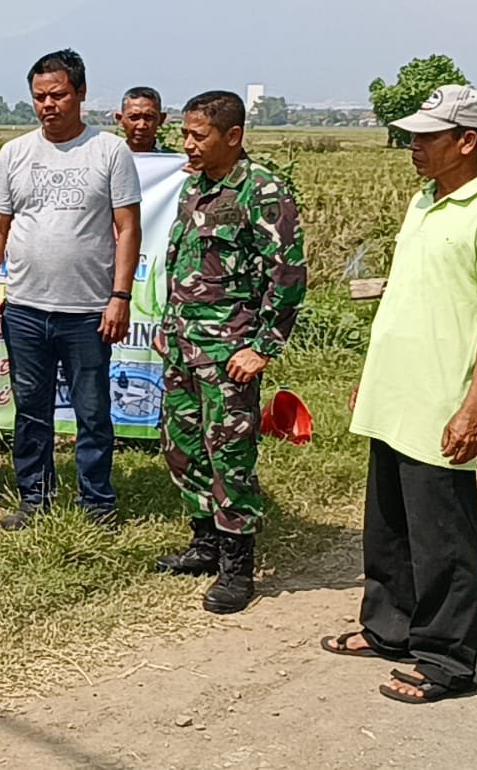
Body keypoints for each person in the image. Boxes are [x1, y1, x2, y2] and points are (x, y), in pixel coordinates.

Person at [321, 85, 477, 704]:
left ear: (468, 141)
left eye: (427, 136)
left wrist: (472, 410)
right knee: (387, 527)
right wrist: (375, 371)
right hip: (396, 391)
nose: (413, 145)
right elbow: (411, 296)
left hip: (441, 400)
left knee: (444, 539)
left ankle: (445, 660)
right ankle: (388, 628)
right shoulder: (424, 201)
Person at [152, 90, 306, 614]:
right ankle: (205, 543)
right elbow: (184, 264)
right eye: (186, 134)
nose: (187, 144)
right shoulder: (194, 187)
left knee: (230, 456)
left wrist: (262, 347)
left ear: (233, 136)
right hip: (183, 344)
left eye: (199, 135)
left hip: (230, 352)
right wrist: (169, 326)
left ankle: (238, 567)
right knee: (181, 444)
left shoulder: (262, 191)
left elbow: (286, 277)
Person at [0, 49, 143, 529]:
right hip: (26, 308)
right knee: (31, 409)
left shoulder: (109, 151)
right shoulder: (16, 153)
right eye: (39, 97)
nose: (48, 105)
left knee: (92, 412)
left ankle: (97, 503)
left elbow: (128, 229)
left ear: (82, 94)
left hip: (88, 311)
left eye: (58, 95)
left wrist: (120, 296)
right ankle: (35, 498)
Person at [114, 86, 172, 154]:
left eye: (149, 118)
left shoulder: (173, 160)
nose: (141, 126)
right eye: (134, 118)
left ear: (161, 119)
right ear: (120, 119)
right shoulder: (109, 158)